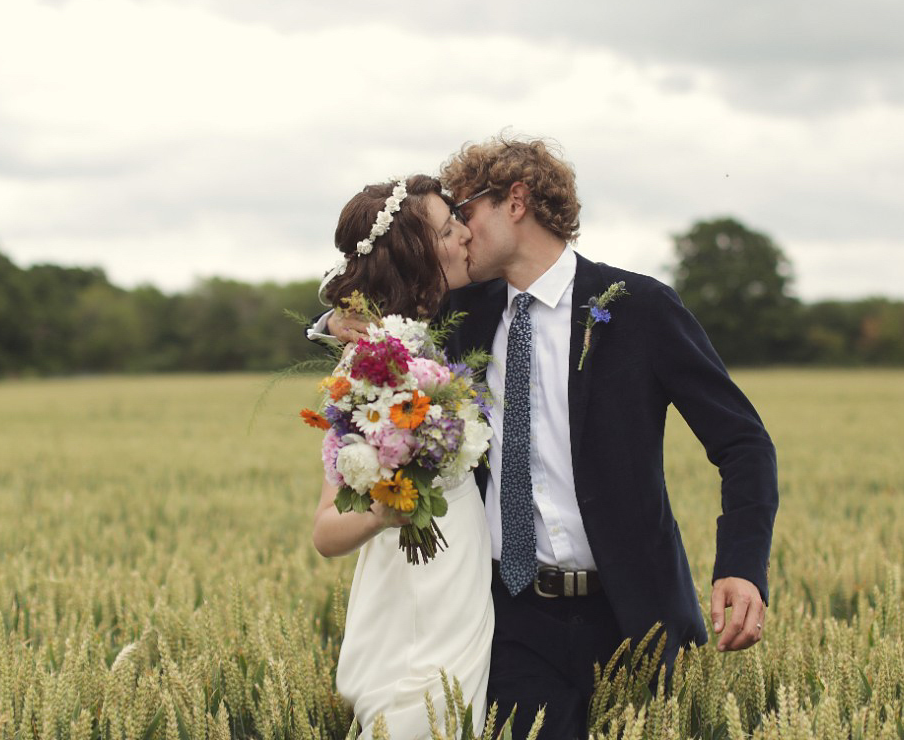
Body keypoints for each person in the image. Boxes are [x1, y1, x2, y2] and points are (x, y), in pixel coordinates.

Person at [323, 137, 778, 739]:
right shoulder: (463, 315)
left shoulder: (639, 307)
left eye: (466, 210)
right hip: (511, 622)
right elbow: (381, 281)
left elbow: (744, 443)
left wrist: (741, 566)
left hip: (634, 612)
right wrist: (330, 321)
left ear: (516, 201)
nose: (458, 230)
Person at [309, 174, 493, 739]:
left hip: (461, 587)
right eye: (447, 229)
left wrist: (329, 318)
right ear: (417, 256)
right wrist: (390, 510)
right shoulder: (369, 368)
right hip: (420, 593)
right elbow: (325, 530)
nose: (465, 234)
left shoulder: (432, 337)